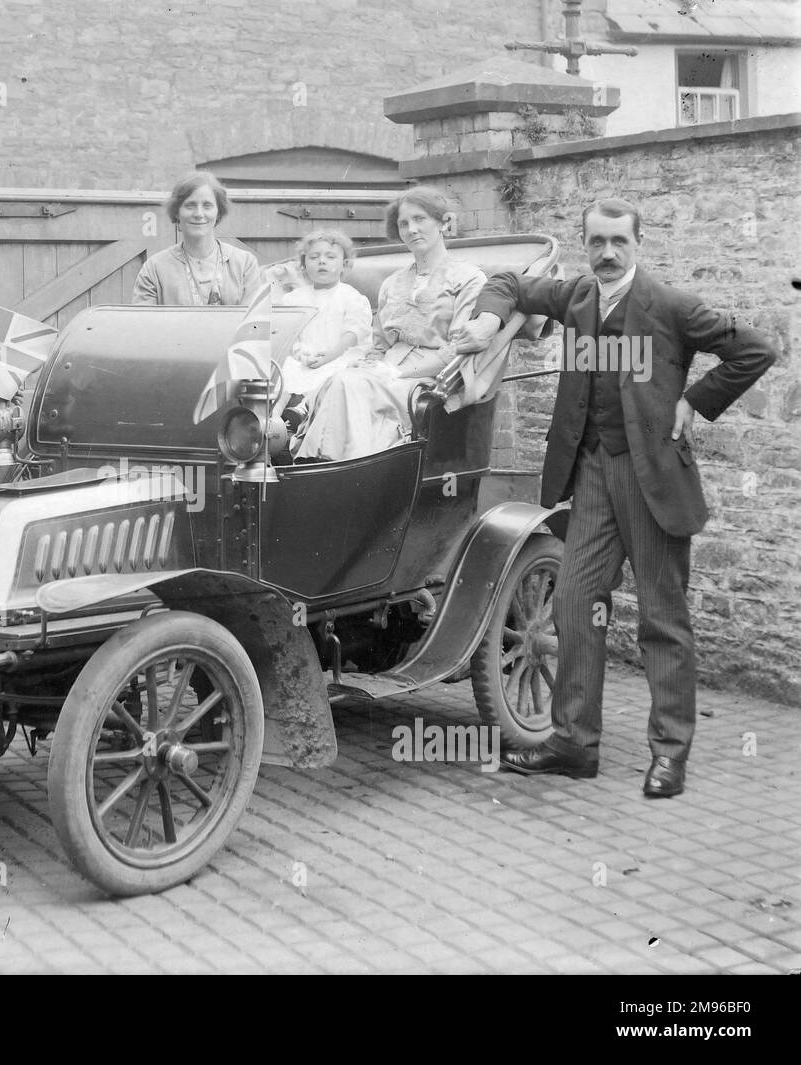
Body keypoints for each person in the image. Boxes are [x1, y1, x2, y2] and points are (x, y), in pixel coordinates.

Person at [455, 197, 776, 798]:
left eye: (618, 242)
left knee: (662, 620)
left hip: (651, 478)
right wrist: (488, 318)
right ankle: (574, 744)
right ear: (585, 244)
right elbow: (505, 282)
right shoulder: (575, 297)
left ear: (638, 243)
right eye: (596, 242)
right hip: (591, 476)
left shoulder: (672, 307)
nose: (606, 253)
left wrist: (695, 401)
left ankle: (669, 754)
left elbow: (754, 350)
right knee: (576, 607)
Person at [291, 186, 487, 461]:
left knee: (348, 385)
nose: (411, 229)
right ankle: (340, 469)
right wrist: (371, 362)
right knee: (339, 380)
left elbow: (457, 350)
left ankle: (338, 467)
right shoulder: (392, 284)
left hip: (430, 380)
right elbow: (379, 344)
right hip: (384, 371)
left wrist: (394, 371)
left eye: (421, 219)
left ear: (443, 222)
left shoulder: (469, 279)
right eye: (404, 223)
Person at [132, 171, 262, 306]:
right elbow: (143, 324)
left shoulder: (245, 264)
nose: (199, 214)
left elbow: (253, 324)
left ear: (218, 212)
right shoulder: (154, 269)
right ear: (177, 212)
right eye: (190, 205)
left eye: (207, 206)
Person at [276, 228, 374, 399]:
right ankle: (277, 414)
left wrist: (331, 355)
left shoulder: (351, 297)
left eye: (330, 257)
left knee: (334, 377)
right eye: (314, 257)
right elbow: (289, 335)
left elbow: (354, 332)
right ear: (303, 264)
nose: (322, 261)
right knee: (286, 372)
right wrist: (300, 354)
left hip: (339, 356)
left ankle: (304, 410)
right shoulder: (293, 299)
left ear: (344, 264)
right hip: (304, 358)